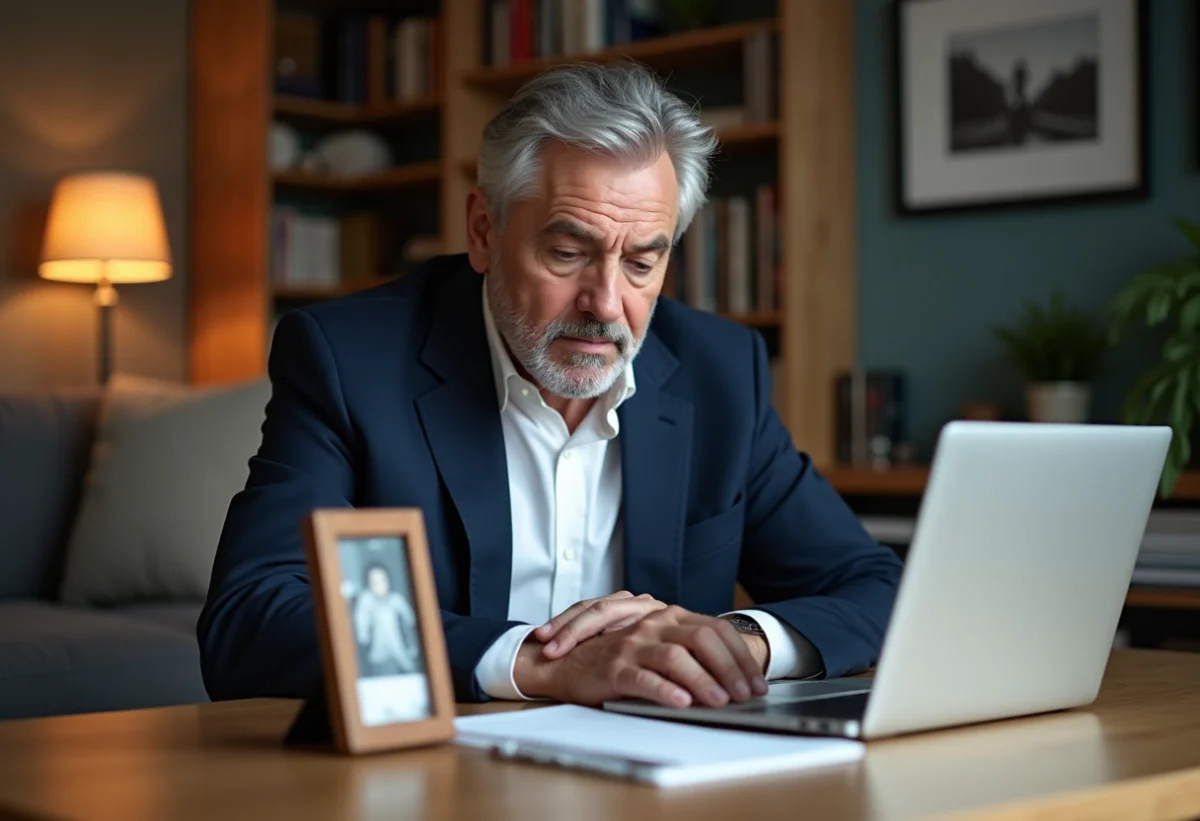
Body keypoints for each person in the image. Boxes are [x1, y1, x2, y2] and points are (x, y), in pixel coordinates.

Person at [198, 61, 903, 709]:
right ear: (482, 229)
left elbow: (878, 588)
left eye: (641, 263)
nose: (604, 303)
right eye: (568, 253)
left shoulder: (721, 373)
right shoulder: (352, 361)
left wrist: (734, 645)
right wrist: (535, 664)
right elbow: (249, 620)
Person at [353, 561, 420, 677]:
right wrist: (363, 637)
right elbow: (361, 623)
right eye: (374, 582)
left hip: (399, 648)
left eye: (382, 580)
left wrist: (412, 643)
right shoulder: (367, 600)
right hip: (378, 651)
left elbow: (410, 620)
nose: (379, 586)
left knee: (409, 671)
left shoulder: (396, 599)